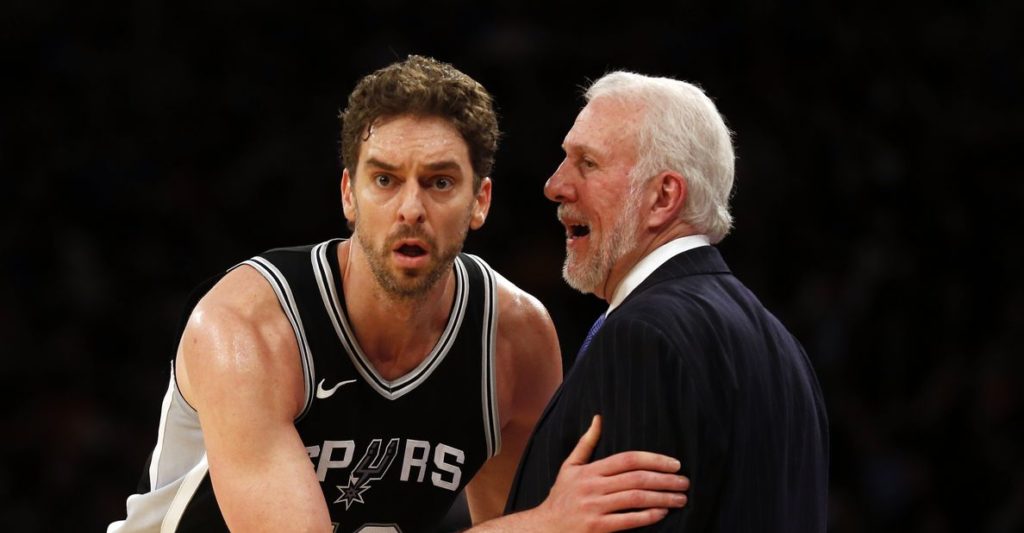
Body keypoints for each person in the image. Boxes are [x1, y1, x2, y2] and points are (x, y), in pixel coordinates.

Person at [108, 56, 688, 533]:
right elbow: (536, 527)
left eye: (439, 182)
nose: (410, 208)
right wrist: (544, 525)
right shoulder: (247, 325)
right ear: (349, 195)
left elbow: (524, 521)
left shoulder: (515, 339)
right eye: (385, 180)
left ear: (480, 201)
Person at [502, 71, 830, 531]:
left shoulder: (644, 339)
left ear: (663, 197)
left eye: (588, 164)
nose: (555, 185)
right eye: (564, 160)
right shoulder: (784, 349)